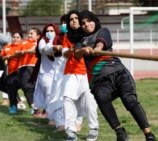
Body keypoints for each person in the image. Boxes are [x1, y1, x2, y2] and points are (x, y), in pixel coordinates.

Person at [74, 10, 157, 141]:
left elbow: (101, 43)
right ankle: (120, 132)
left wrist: (97, 49)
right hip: (98, 80)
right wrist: (83, 50)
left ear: (94, 20)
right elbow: (77, 53)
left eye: (89, 21)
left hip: (118, 73)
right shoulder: (79, 40)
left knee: (130, 101)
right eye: (83, 23)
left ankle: (148, 134)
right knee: (102, 99)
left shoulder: (103, 31)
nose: (86, 24)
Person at [61, 10, 99, 141]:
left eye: (76, 18)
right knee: (68, 100)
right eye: (71, 19)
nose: (74, 21)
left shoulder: (88, 34)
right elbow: (65, 53)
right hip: (70, 72)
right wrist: (72, 50)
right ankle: (71, 131)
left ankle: (93, 129)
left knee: (89, 100)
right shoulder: (66, 37)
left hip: (87, 72)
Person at [33, 23, 65, 130]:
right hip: (45, 73)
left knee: (59, 95)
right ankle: (51, 118)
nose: (50, 33)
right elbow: (44, 50)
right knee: (49, 94)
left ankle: (59, 117)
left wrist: (56, 45)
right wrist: (53, 45)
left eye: (52, 31)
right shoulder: (43, 40)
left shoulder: (60, 40)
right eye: (48, 30)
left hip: (58, 73)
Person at [14, 27, 41, 115]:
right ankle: (34, 107)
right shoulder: (23, 43)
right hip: (23, 67)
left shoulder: (40, 43)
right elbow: (16, 53)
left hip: (36, 67)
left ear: (38, 36)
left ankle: (43, 109)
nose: (29, 35)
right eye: (28, 33)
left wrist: (26, 51)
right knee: (26, 87)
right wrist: (20, 52)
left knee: (37, 88)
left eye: (32, 33)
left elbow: (34, 51)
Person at [0, 31, 23, 114]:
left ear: (21, 39)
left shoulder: (23, 46)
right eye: (14, 37)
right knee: (11, 88)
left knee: (28, 89)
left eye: (17, 37)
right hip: (11, 72)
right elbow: (2, 58)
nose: (15, 39)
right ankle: (13, 106)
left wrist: (16, 55)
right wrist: (7, 57)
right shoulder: (7, 47)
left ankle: (34, 108)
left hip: (22, 72)